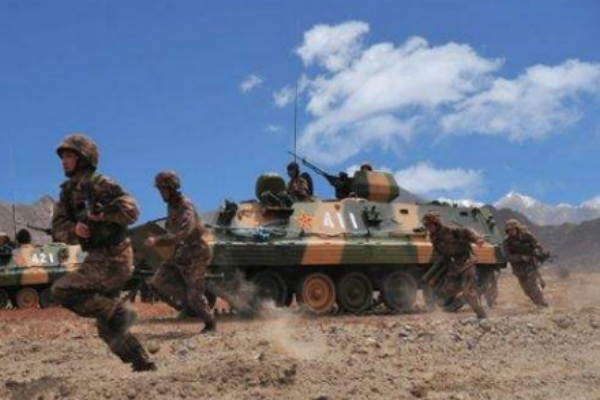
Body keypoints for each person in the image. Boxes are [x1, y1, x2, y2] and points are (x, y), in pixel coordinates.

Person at [50, 133, 156, 372]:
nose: (64, 161)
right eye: (62, 157)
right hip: (98, 256)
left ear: (83, 157)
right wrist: (75, 229)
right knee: (107, 329)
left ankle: (120, 312)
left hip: (116, 254)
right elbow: (58, 227)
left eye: (69, 156)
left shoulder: (101, 183)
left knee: (62, 289)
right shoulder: (66, 193)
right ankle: (142, 361)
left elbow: (132, 210)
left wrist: (104, 215)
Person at [146, 171, 216, 333]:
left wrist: (158, 240)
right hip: (181, 251)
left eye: (162, 189)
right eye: (159, 189)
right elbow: (173, 230)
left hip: (196, 253)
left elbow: (184, 232)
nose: (160, 193)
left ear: (171, 188)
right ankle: (187, 303)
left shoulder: (185, 205)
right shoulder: (171, 205)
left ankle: (210, 323)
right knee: (157, 281)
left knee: (195, 295)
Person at [422, 211, 487, 320]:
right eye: (427, 226)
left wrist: (477, 239)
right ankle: (466, 296)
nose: (429, 228)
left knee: (468, 292)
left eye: (430, 225)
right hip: (454, 264)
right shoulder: (434, 237)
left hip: (466, 261)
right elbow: (439, 252)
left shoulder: (449, 230)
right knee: (447, 289)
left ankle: (481, 315)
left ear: (436, 224)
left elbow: (466, 231)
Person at [503, 219, 549, 308]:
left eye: (513, 229)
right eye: (509, 230)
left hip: (530, 264)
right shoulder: (506, 241)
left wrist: (536, 250)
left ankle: (541, 303)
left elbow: (537, 244)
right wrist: (521, 257)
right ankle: (538, 301)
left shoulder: (526, 235)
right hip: (518, 268)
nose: (511, 231)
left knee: (532, 285)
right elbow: (507, 256)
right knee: (526, 290)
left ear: (517, 228)